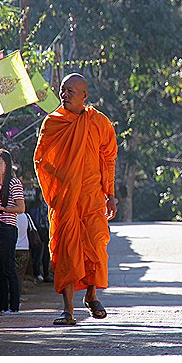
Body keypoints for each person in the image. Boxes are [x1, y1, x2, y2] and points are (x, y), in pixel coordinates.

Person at [34, 73, 118, 326]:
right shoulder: (53, 123)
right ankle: (68, 309)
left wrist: (111, 196)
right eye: (62, 90)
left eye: (71, 91)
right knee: (67, 251)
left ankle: (91, 295)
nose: (65, 95)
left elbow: (108, 159)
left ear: (85, 96)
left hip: (92, 197)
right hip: (66, 198)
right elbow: (41, 160)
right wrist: (62, 179)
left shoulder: (99, 123)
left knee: (95, 247)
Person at [0, 149, 25, 314]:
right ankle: (2, 307)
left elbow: (20, 208)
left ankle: (14, 307)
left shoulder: (14, 183)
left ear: (7, 164)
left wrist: (0, 209)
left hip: (7, 228)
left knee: (9, 268)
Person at [15, 212, 31, 291]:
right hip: (24, 247)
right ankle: (17, 298)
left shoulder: (8, 216)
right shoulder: (26, 216)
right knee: (19, 275)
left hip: (11, 247)